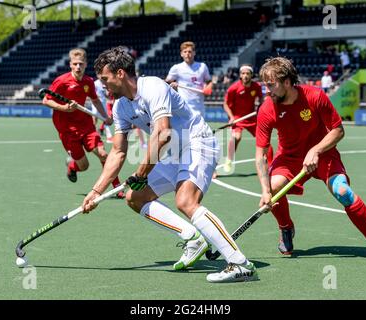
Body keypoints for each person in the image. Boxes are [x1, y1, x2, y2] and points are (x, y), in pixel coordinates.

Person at [82, 46, 256, 283]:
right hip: (173, 153)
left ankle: (240, 263)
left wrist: (142, 172)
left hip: (197, 143)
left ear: (120, 73)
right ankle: (192, 239)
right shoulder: (121, 107)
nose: (102, 84)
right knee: (135, 197)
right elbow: (118, 151)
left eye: (105, 78)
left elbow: (163, 133)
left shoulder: (152, 86)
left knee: (185, 201)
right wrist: (95, 191)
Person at [255, 56, 366, 262]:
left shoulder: (315, 96)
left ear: (286, 82)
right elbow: (260, 155)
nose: (267, 90)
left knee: (343, 191)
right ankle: (286, 228)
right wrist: (266, 191)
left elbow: (338, 130)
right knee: (274, 187)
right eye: (265, 85)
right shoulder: (267, 109)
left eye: (271, 84)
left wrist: (316, 150)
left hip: (324, 154)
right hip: (289, 158)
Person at [42, 48, 124, 198]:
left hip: (85, 125)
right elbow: (46, 100)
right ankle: (72, 166)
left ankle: (116, 188)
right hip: (67, 129)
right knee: (84, 166)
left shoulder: (88, 82)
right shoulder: (61, 81)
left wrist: (105, 116)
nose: (78, 67)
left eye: (81, 64)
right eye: (75, 64)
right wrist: (64, 108)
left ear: (86, 64)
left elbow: (95, 100)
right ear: (70, 65)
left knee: (103, 154)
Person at [221, 64, 273, 173]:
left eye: (247, 73)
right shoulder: (233, 88)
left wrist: (261, 107)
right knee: (236, 137)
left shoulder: (256, 86)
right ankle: (229, 160)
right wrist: (231, 118)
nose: (245, 76)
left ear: (251, 75)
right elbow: (225, 104)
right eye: (243, 73)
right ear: (240, 75)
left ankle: (271, 165)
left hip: (252, 119)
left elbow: (262, 99)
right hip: (237, 118)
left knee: (265, 141)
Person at [165, 41, 212, 118]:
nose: (187, 54)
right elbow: (166, 83)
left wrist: (208, 87)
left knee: (199, 129)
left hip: (199, 106)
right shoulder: (176, 68)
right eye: (185, 52)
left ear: (194, 53)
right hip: (184, 105)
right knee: (185, 129)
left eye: (190, 51)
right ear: (181, 54)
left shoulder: (202, 66)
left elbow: (209, 82)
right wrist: (172, 85)